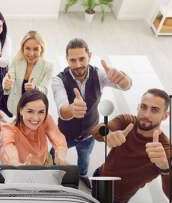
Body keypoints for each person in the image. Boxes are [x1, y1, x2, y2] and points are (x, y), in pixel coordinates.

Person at [52, 38, 132, 189]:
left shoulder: (100, 75)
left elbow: (125, 86)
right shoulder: (58, 80)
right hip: (64, 134)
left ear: (89, 55)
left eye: (82, 58)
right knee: (53, 156)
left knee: (84, 159)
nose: (78, 65)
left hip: (89, 134)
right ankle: (54, 174)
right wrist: (71, 110)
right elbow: (62, 107)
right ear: (66, 60)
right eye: (72, 60)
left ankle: (82, 175)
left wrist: (123, 79)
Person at [91, 88, 172, 203]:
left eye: (154, 110)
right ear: (138, 108)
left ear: (165, 115)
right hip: (99, 175)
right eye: (143, 107)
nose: (146, 115)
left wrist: (165, 167)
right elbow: (96, 131)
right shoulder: (126, 121)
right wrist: (106, 134)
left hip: (116, 198)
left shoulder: (166, 151)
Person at [0, 90, 68, 165]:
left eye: (41, 112)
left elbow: (59, 141)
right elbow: (8, 147)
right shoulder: (8, 129)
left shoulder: (46, 119)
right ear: (21, 110)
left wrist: (60, 156)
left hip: (44, 163)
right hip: (20, 169)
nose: (36, 118)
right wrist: (14, 162)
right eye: (30, 111)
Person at [3, 30, 53, 115]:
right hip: (17, 107)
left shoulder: (48, 66)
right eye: (27, 48)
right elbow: (8, 78)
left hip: (35, 110)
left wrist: (35, 88)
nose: (31, 53)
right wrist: (7, 85)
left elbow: (44, 90)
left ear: (41, 49)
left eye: (36, 49)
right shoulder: (16, 62)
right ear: (23, 48)